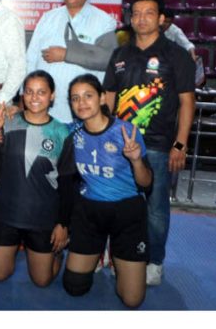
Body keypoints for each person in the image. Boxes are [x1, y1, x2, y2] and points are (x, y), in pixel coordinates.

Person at [103, 0, 195, 286]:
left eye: (149, 13)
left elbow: (187, 102)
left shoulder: (176, 55)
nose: (141, 18)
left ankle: (154, 261)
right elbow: (108, 98)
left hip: (157, 145)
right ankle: (121, 255)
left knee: (155, 209)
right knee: (119, 204)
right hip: (119, 144)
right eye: (137, 13)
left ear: (161, 19)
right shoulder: (120, 55)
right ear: (131, 20)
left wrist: (180, 144)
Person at [62, 74, 153, 308]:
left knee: (132, 300)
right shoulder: (72, 133)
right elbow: (42, 125)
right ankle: (100, 252)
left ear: (102, 97)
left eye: (88, 96)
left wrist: (136, 161)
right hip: (89, 212)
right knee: (74, 288)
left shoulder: (127, 132)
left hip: (127, 212)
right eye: (75, 98)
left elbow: (146, 183)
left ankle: (118, 257)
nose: (82, 103)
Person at [0, 70, 76, 287]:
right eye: (29, 92)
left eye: (41, 92)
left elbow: (68, 183)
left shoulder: (62, 133)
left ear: (52, 96)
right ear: (22, 95)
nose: (34, 97)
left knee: (42, 281)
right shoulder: (7, 122)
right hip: (7, 212)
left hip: (42, 216)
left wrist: (63, 224)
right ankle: (15, 249)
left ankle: (55, 255)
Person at [26, 0, 117, 124]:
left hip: (85, 114)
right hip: (45, 113)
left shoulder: (104, 22)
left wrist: (66, 55)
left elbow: (108, 59)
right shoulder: (48, 18)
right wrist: (24, 97)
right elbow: (30, 60)